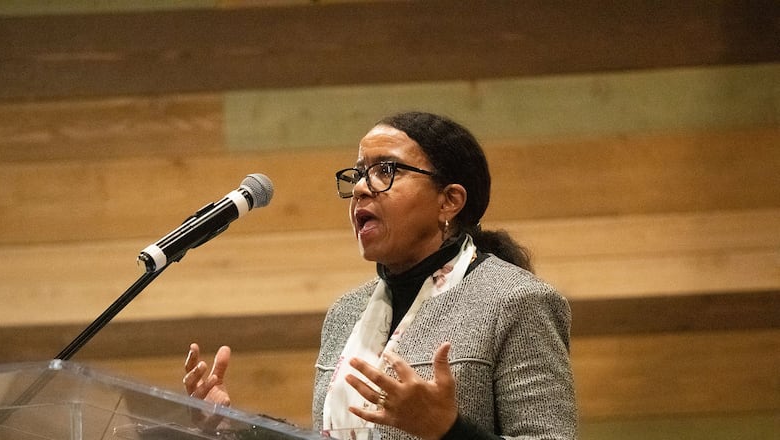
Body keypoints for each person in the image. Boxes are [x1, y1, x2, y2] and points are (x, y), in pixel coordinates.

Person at [183, 111, 577, 439]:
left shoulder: (515, 301)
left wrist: (449, 431)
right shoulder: (346, 312)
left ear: (450, 200)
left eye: (385, 170)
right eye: (357, 175)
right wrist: (232, 428)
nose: (360, 189)